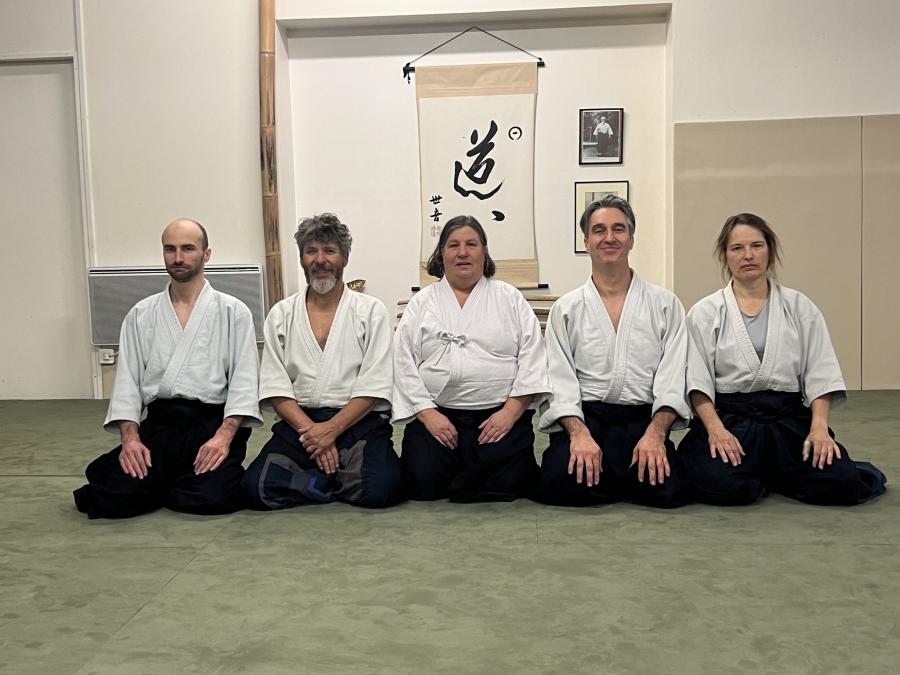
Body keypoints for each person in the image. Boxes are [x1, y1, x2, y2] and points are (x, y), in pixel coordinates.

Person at [679, 213, 886, 505]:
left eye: (757, 245)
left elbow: (821, 372)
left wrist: (819, 429)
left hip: (786, 420)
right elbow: (697, 381)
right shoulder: (705, 312)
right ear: (725, 255)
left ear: (770, 250)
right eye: (737, 248)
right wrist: (715, 431)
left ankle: (771, 470)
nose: (748, 255)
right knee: (721, 486)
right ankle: (772, 472)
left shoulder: (800, 307)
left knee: (842, 483)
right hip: (731, 421)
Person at [73, 219, 262, 518]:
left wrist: (224, 438)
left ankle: (162, 481)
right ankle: (154, 476)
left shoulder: (233, 311)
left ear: (206, 254)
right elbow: (128, 383)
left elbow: (244, 381)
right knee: (113, 500)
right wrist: (130, 440)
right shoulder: (141, 314)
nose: (178, 257)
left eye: (188, 248)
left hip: (211, 425)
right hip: (162, 426)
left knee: (211, 499)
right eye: (170, 249)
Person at [536, 195, 692, 508]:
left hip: (642, 422)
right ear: (586, 242)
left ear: (631, 239)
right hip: (587, 420)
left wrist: (656, 434)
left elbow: (673, 378)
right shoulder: (566, 309)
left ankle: (620, 476)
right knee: (558, 484)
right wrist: (578, 435)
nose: (609, 237)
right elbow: (559, 380)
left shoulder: (665, 304)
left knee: (671, 491)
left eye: (618, 229)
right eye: (599, 230)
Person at [241, 213, 403, 509]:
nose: (320, 260)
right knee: (253, 489)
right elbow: (276, 386)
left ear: (345, 257)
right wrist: (313, 433)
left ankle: (315, 480)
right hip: (300, 424)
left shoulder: (371, 311)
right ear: (302, 259)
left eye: (329, 250)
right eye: (311, 251)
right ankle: (335, 479)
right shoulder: (282, 314)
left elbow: (375, 383)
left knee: (383, 489)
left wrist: (331, 430)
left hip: (357, 422)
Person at [393, 215, 550, 501]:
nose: (462, 252)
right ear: (442, 254)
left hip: (498, 416)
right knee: (421, 481)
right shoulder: (422, 303)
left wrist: (510, 413)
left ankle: (469, 476)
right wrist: (428, 414)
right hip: (439, 416)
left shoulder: (509, 298)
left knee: (513, 479)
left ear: (484, 252)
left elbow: (533, 358)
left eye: (471, 244)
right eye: (453, 245)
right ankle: (470, 476)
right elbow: (402, 362)